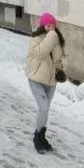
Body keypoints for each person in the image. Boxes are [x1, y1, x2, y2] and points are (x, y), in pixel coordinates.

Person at [26, 12, 66, 154]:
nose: (51, 28)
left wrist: (61, 70)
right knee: (43, 108)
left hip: (51, 81)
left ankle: (41, 137)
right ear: (43, 25)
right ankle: (37, 138)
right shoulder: (35, 39)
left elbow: (60, 58)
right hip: (36, 79)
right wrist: (52, 37)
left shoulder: (56, 39)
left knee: (46, 109)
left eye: (53, 26)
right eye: (48, 25)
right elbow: (41, 54)